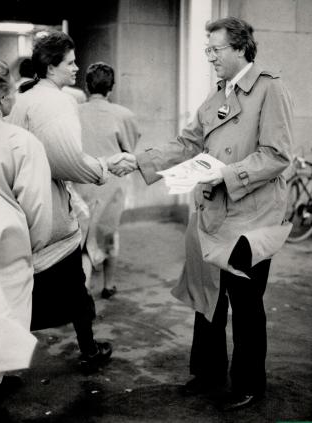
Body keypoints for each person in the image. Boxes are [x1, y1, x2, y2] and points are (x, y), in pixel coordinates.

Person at [119, 17, 293, 411]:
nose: (209, 57)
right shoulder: (219, 93)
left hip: (251, 217)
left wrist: (227, 174)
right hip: (212, 213)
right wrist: (137, 161)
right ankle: (208, 372)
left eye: (215, 50)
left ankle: (249, 383)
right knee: (208, 297)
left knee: (246, 304)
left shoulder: (270, 88)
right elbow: (187, 142)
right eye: (207, 50)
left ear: (240, 48)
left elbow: (277, 154)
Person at [7, 31, 134, 372]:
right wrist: (104, 167)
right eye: (70, 62)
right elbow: (67, 161)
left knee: (16, 292)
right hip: (46, 209)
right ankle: (88, 349)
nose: (77, 68)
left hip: (18, 204)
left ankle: (4, 365)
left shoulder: (21, 95)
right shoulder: (55, 101)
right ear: (51, 68)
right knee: (72, 285)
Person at [0, 59, 52, 421]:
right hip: (5, 248)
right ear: (4, 97)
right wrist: (35, 247)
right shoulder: (21, 142)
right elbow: (37, 207)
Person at [73, 62, 140, 299]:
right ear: (111, 87)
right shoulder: (124, 115)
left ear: (86, 86)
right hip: (112, 185)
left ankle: (84, 292)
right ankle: (107, 285)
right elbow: (130, 150)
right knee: (109, 234)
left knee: (83, 241)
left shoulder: (74, 112)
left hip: (80, 182)